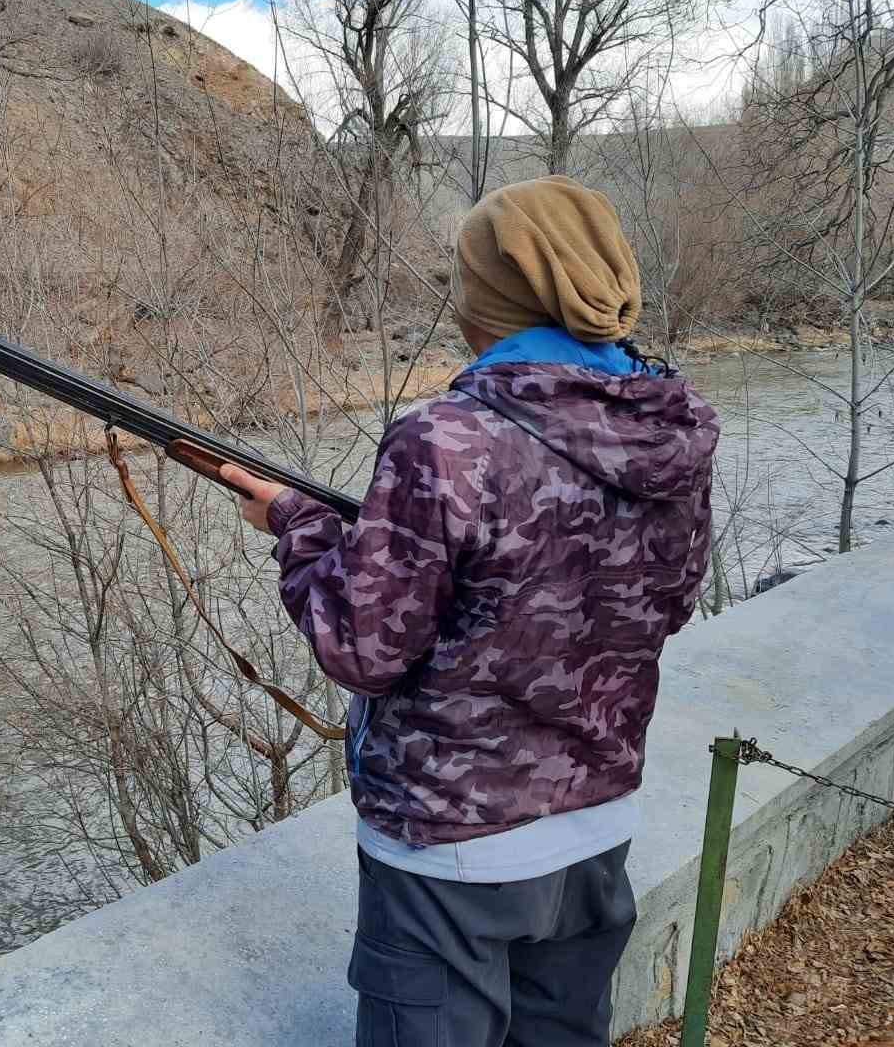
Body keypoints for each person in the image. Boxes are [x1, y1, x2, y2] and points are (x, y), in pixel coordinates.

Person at [220, 175, 719, 1047]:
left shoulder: (444, 439)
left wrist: (296, 528)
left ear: (489, 293)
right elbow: (665, 602)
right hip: (596, 830)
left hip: (449, 852)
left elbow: (359, 647)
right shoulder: (674, 430)